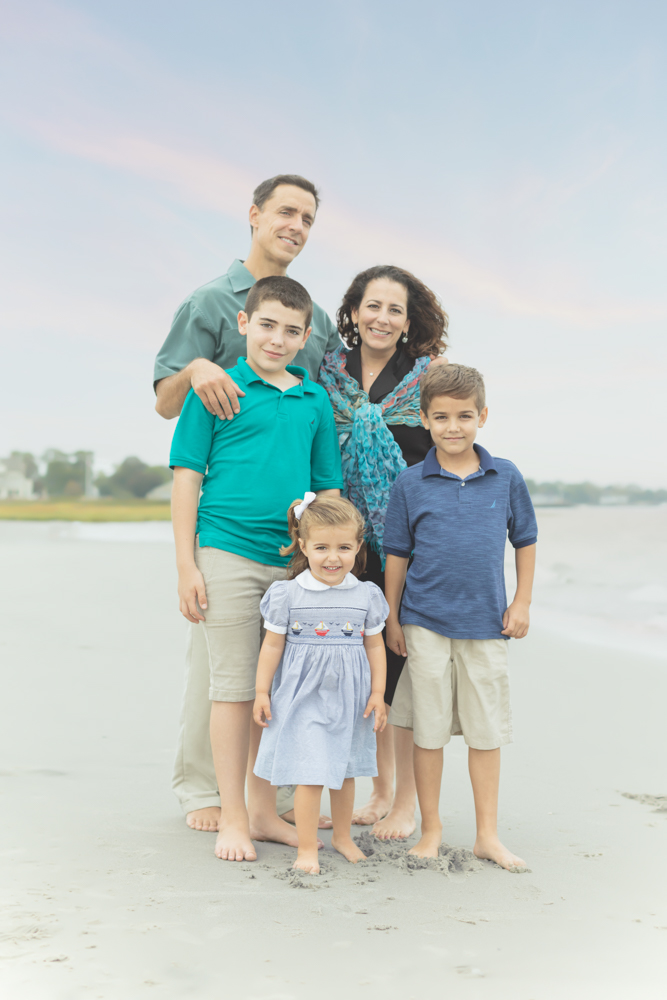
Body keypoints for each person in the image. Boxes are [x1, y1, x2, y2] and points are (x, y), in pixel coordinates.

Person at [154, 174, 341, 833]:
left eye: (308, 218)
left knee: (275, 671)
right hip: (225, 518)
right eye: (286, 211)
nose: (296, 226)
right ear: (255, 215)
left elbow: (318, 404)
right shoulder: (210, 300)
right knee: (221, 669)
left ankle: (269, 800)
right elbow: (167, 404)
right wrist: (195, 370)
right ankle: (204, 788)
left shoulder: (316, 320)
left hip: (286, 532)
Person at [383, 363, 537, 869]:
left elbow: (525, 541)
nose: (453, 427)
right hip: (424, 623)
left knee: (485, 732)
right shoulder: (409, 483)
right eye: (442, 417)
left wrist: (521, 602)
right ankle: (431, 830)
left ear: (482, 416)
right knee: (427, 731)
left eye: (464, 416)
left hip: (486, 625)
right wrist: (392, 618)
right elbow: (396, 554)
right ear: (424, 419)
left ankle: (487, 835)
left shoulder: (506, 476)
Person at [318, 265, 448, 840]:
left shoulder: (428, 379)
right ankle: (376, 789)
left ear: (409, 321)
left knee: (402, 667)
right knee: (358, 666)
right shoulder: (327, 374)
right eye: (373, 306)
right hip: (341, 542)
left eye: (396, 309)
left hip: (411, 543)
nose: (382, 318)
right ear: (353, 312)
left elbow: (454, 443)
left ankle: (403, 803)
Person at [253, 494, 389, 874]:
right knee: (310, 772)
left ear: (358, 546)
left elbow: (375, 645)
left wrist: (378, 693)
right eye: (322, 548)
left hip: (350, 698)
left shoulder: (365, 595)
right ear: (303, 545)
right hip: (303, 698)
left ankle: (343, 837)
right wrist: (262, 691)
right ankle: (306, 849)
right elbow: (272, 646)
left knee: (344, 771)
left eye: (344, 547)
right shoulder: (288, 594)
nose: (333, 558)